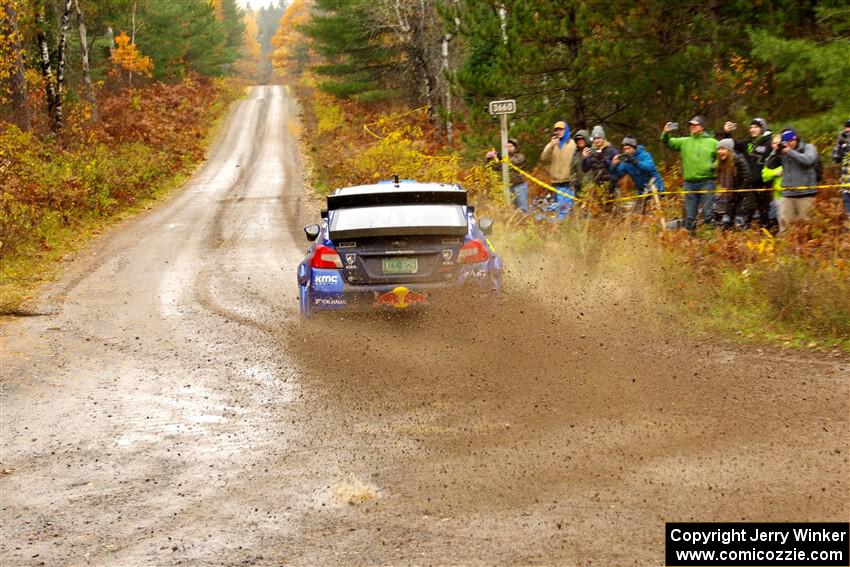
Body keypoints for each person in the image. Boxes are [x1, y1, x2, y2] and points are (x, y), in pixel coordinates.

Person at [661, 116, 718, 232]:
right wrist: (666, 133)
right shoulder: (684, 141)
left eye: (695, 125)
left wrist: (713, 166)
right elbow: (668, 143)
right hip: (689, 183)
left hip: (707, 182)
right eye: (691, 125)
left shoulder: (712, 142)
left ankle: (712, 240)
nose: (692, 127)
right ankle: (690, 241)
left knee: (708, 214)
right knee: (690, 216)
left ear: (702, 127)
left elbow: (724, 155)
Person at [719, 117, 774, 226]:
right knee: (746, 212)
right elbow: (731, 145)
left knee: (764, 212)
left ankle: (766, 234)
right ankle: (747, 235)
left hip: (763, 183)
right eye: (751, 127)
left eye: (756, 127)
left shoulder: (769, 143)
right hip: (747, 184)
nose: (752, 129)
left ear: (762, 128)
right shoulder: (747, 142)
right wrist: (727, 133)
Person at [765, 128, 819, 231]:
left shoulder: (808, 147)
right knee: (785, 225)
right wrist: (775, 151)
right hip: (787, 194)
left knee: (806, 227)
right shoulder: (783, 151)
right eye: (787, 142)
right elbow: (769, 165)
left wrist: (790, 152)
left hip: (805, 194)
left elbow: (808, 160)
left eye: (791, 141)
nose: (789, 144)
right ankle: (786, 246)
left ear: (796, 139)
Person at [611, 136, 665, 212]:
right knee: (639, 214)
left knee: (654, 213)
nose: (626, 151)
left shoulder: (645, 155)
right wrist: (614, 165)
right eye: (624, 149)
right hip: (642, 192)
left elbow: (649, 167)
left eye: (628, 148)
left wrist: (635, 162)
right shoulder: (626, 161)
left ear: (634, 147)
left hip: (655, 189)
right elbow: (617, 175)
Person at [540, 120, 578, 219]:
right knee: (557, 208)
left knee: (567, 209)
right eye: (556, 130)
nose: (558, 132)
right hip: (555, 182)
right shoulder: (552, 145)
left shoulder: (573, 144)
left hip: (568, 182)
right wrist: (551, 145)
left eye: (561, 129)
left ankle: (566, 227)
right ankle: (559, 228)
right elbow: (543, 158)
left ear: (566, 130)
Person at [714, 138, 752, 228]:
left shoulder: (739, 160)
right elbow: (720, 180)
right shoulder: (721, 163)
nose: (720, 151)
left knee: (740, 224)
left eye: (723, 149)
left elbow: (747, 177)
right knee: (726, 223)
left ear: (729, 150)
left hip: (743, 198)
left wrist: (740, 191)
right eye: (719, 149)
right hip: (729, 198)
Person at [486, 138, 528, 213]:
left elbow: (514, 163)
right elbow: (494, 167)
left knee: (522, 208)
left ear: (516, 147)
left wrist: (500, 156)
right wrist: (489, 159)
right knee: (508, 208)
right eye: (507, 146)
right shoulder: (503, 159)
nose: (509, 148)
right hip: (507, 186)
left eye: (511, 146)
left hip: (519, 185)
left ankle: (524, 223)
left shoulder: (520, 156)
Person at [581, 125, 619, 198]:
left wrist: (605, 160)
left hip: (611, 186)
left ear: (603, 138)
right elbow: (585, 169)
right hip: (598, 187)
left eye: (599, 138)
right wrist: (585, 158)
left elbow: (617, 168)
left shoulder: (611, 150)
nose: (597, 140)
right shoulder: (591, 152)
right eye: (595, 138)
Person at [831, 119, 850, 220]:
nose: (848, 133)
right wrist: (839, 144)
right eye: (846, 130)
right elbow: (835, 160)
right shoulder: (843, 144)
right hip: (846, 187)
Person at [570, 129, 593, 197]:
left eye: (582, 139)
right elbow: (572, 170)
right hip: (579, 188)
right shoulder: (575, 154)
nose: (580, 141)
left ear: (586, 139)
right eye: (578, 139)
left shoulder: (593, 151)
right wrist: (574, 180)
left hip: (592, 188)